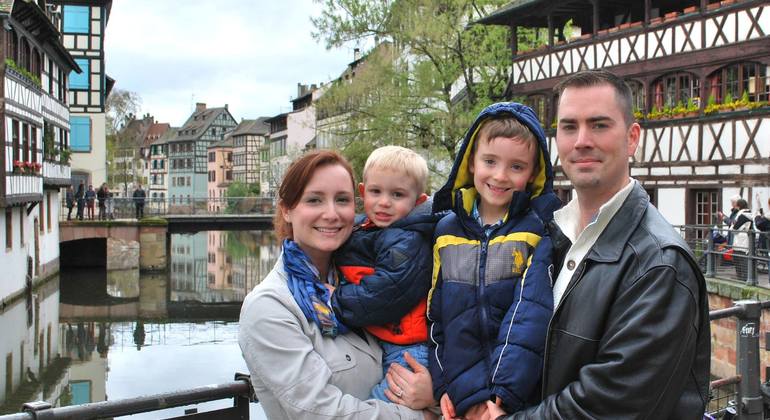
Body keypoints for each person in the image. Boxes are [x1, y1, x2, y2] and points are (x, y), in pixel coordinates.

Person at [486, 69, 710, 419]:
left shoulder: (659, 264)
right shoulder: (546, 234)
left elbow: (611, 405)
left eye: (599, 125)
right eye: (569, 127)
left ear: (632, 138)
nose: (581, 141)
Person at [238, 150, 436, 419]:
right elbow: (319, 412)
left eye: (342, 200)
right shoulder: (269, 307)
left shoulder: (363, 281)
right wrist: (422, 416)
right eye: (314, 200)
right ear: (287, 209)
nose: (331, 214)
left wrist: (433, 395)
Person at [428, 102, 561, 419]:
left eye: (516, 166)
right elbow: (436, 318)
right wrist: (443, 386)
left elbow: (530, 315)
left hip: (513, 397)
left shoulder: (537, 231)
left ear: (532, 174)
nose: (500, 176)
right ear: (471, 163)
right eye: (490, 161)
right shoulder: (446, 231)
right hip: (459, 396)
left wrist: (500, 396)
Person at [331, 145, 437, 403]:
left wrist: (336, 299)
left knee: (383, 402)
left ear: (418, 202)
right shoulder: (366, 228)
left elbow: (387, 293)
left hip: (409, 349)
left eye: (397, 194)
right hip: (387, 339)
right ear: (362, 192)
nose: (384, 202)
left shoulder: (408, 240)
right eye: (376, 192)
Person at [731, 198, 753, 282]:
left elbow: (734, 229)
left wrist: (732, 225)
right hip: (747, 241)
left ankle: (742, 279)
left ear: (738, 206)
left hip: (740, 241)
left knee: (739, 260)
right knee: (745, 260)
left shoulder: (742, 215)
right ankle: (746, 278)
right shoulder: (750, 213)